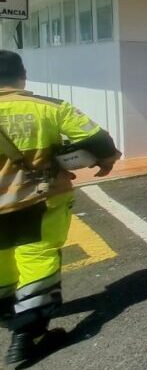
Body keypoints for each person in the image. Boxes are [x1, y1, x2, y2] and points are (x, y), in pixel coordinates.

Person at [0, 50, 121, 366]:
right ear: (22, 75)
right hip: (38, 199)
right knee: (37, 257)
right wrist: (106, 162)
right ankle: (28, 335)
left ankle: (7, 310)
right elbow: (99, 139)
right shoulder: (49, 108)